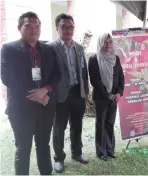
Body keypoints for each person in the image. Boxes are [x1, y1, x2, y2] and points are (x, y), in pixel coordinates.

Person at [0, 11, 60, 175]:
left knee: (43, 145)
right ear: (20, 27)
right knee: (23, 148)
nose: (34, 29)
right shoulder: (9, 49)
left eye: (37, 26)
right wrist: (36, 96)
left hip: (46, 107)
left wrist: (45, 90)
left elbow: (57, 74)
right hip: (21, 109)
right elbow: (8, 79)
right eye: (28, 26)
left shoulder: (48, 49)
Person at [47, 13, 89, 173]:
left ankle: (77, 153)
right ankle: (58, 158)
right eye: (64, 27)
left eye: (71, 27)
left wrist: (86, 91)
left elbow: (84, 71)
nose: (68, 30)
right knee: (59, 128)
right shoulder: (50, 48)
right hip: (59, 96)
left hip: (77, 93)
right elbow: (48, 74)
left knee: (77, 125)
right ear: (57, 28)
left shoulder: (79, 47)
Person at [88, 33, 124, 161]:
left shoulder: (116, 58)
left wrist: (119, 93)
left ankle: (110, 149)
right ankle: (101, 151)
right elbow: (95, 81)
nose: (108, 44)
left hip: (114, 98)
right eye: (105, 42)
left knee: (110, 123)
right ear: (100, 43)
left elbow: (120, 77)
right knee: (100, 124)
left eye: (110, 42)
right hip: (102, 98)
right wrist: (108, 95)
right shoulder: (94, 59)